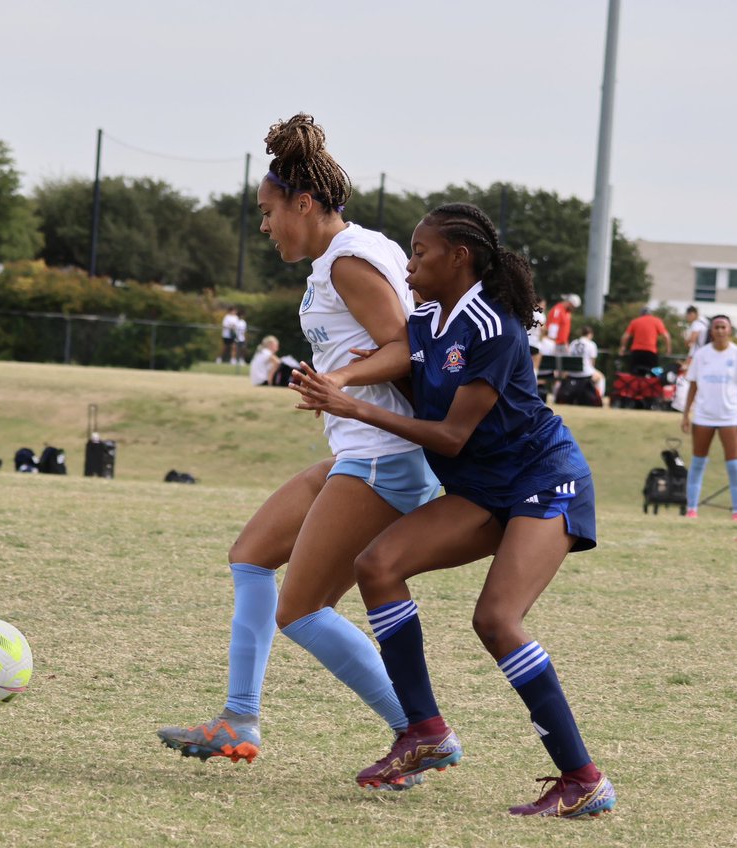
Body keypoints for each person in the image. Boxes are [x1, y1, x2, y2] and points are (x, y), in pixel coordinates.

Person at [291, 202, 615, 818]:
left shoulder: (494, 328)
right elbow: (395, 357)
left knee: (496, 621)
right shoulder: (429, 318)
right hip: (485, 490)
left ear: (459, 258)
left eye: (420, 253)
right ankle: (425, 731)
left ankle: (584, 778)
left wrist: (352, 406)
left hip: (543, 482)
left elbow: (451, 437)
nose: (409, 265)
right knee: (378, 565)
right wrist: (338, 383)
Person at [157, 113, 439, 765]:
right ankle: (239, 719)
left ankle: (422, 732)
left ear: (303, 203)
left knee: (302, 610)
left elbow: (405, 348)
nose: (263, 226)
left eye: (267, 211)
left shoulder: (348, 260)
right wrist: (337, 386)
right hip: (358, 451)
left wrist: (339, 380)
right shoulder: (338, 259)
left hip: (385, 458)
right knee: (251, 555)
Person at [681, 315, 737, 522]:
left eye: (723, 327)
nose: (720, 330)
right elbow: (693, 385)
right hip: (704, 415)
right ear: (711, 331)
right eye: (716, 327)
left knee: (734, 465)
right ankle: (692, 508)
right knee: (698, 462)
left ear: (729, 330)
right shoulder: (702, 355)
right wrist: (686, 414)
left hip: (730, 416)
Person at [618, 306, 671, 374]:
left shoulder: (635, 321)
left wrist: (622, 348)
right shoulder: (657, 321)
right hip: (651, 352)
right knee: (655, 373)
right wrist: (668, 349)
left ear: (641, 314)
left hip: (636, 351)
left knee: (634, 374)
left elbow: (625, 336)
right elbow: (666, 336)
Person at [567, 325, 605, 399]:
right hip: (585, 373)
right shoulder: (591, 344)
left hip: (571, 372)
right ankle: (598, 398)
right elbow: (592, 364)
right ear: (590, 334)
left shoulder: (573, 343)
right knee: (601, 378)